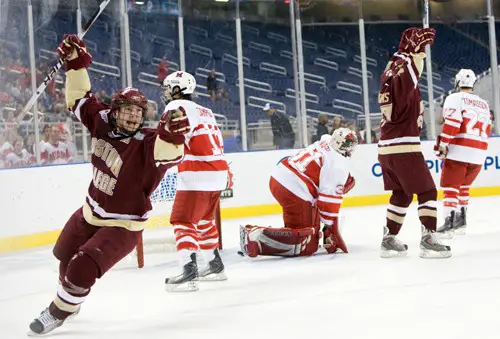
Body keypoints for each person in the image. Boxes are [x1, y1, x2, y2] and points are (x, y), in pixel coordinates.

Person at [28, 35, 190, 335]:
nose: (133, 116)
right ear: (115, 110)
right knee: (64, 258)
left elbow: (170, 152)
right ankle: (70, 301)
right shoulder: (102, 120)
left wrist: (173, 136)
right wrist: (75, 63)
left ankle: (57, 312)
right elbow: (79, 98)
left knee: (81, 267)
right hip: (90, 211)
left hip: (124, 225)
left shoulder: (148, 142)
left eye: (139, 112)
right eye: (128, 109)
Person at [377, 27, 451, 259]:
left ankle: (389, 239)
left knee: (401, 194)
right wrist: (415, 51)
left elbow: (401, 69)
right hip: (403, 147)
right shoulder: (403, 74)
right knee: (427, 191)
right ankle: (429, 238)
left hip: (386, 147)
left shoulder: (390, 73)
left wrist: (409, 51)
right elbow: (411, 74)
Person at [239, 128, 357, 258]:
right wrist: (333, 231)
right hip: (294, 190)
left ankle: (281, 234)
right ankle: (257, 237)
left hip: (281, 177)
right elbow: (328, 204)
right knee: (307, 244)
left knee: (307, 228)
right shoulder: (338, 165)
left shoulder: (326, 141)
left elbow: (321, 197)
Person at [161, 71, 230, 292]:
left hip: (196, 174)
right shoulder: (206, 110)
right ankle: (215, 266)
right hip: (218, 172)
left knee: (182, 221)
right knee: (204, 222)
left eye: (168, 87)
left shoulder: (176, 107)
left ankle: (188, 271)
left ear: (177, 90)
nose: (165, 92)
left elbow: (167, 137)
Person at [435, 69, 491, 238]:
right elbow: (487, 127)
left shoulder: (454, 98)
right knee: (464, 187)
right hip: (479, 151)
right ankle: (461, 223)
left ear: (457, 82)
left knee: (451, 188)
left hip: (460, 149)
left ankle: (449, 225)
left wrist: (443, 144)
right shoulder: (484, 103)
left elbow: (453, 122)